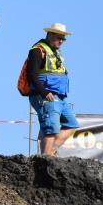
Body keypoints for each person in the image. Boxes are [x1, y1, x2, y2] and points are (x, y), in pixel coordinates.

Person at [26, 22, 79, 156]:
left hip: (59, 97)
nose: (61, 41)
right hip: (45, 96)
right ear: (50, 35)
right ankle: (45, 158)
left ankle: (50, 152)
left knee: (72, 124)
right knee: (50, 130)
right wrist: (44, 92)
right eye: (59, 38)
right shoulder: (37, 50)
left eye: (63, 39)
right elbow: (31, 74)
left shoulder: (55, 53)